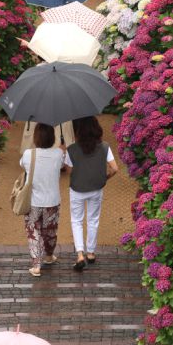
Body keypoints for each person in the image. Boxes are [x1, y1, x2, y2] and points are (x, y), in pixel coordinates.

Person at [64, 116, 118, 272]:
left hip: (77, 189)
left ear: (78, 131)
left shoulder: (72, 149)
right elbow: (115, 168)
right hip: (96, 189)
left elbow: (69, 171)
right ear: (97, 129)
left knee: (77, 221)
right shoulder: (105, 147)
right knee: (93, 219)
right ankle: (91, 252)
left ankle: (80, 254)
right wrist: (105, 177)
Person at [20, 123, 66, 277]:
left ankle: (36, 265)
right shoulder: (58, 154)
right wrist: (63, 149)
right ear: (52, 137)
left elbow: (22, 165)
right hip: (52, 200)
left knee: (33, 231)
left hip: (33, 201)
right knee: (50, 231)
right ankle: (49, 256)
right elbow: (62, 165)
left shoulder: (28, 154)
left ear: (36, 137)